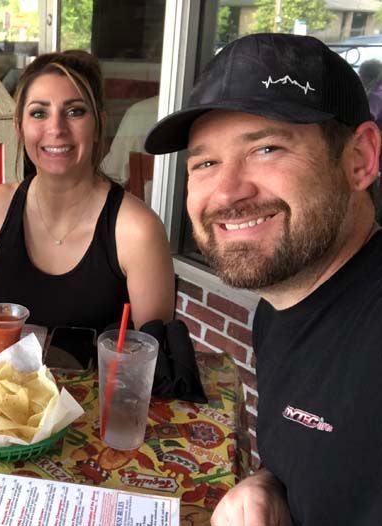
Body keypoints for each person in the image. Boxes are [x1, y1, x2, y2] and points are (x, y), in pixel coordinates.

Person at [145, 33, 382, 526]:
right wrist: (268, 485)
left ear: (359, 158)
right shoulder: (278, 305)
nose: (228, 191)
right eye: (206, 163)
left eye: (267, 148)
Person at [0, 50, 174, 333]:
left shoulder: (137, 229)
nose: (56, 129)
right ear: (19, 127)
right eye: (39, 113)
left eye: (75, 111)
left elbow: (152, 349)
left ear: (98, 125)